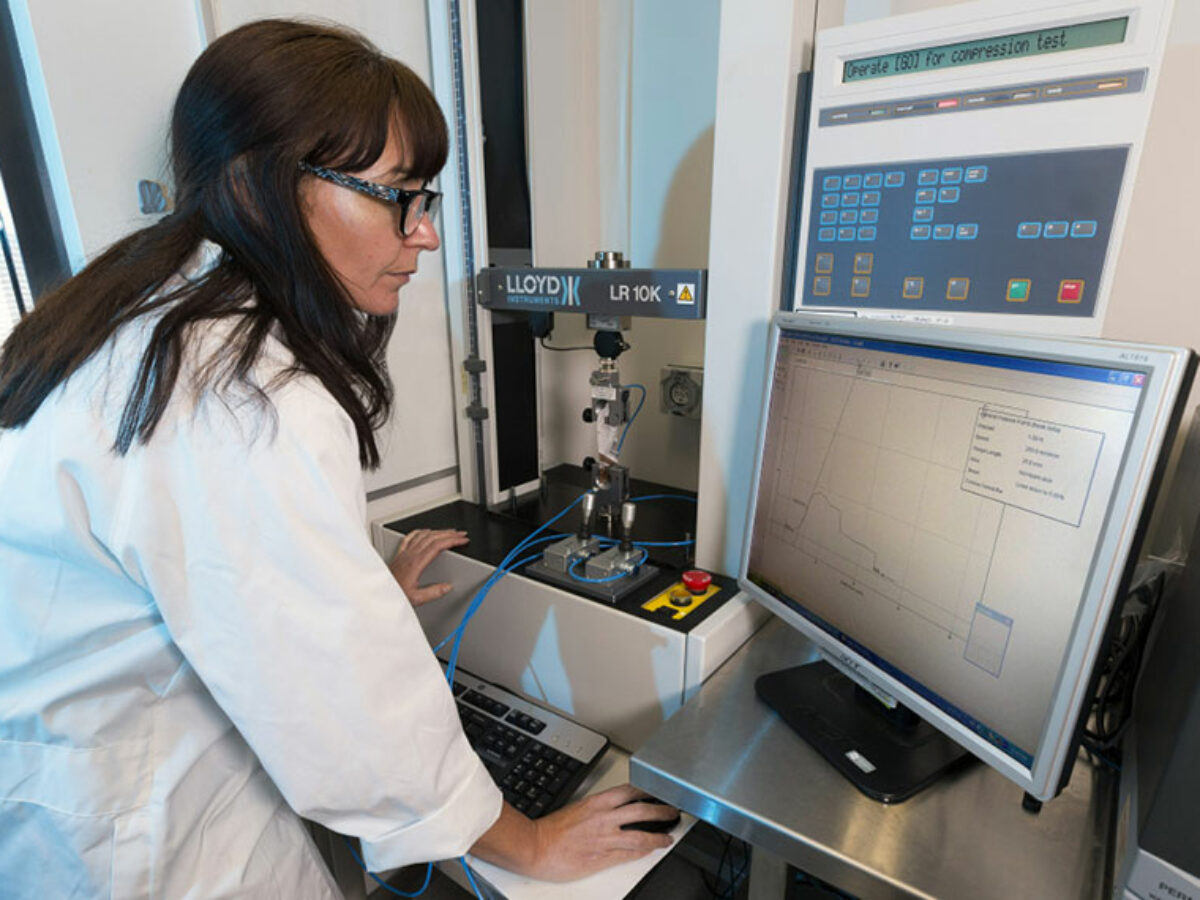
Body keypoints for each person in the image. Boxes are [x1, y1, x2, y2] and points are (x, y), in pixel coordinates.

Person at [0, 19, 676, 897]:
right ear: (262, 187)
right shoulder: (241, 390)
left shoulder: (141, 306)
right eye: (398, 195)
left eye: (426, 200)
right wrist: (529, 845)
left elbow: (218, 582)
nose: (425, 235)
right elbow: (348, 710)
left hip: (75, 796)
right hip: (145, 841)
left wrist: (349, 590)